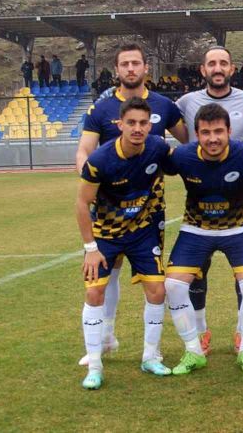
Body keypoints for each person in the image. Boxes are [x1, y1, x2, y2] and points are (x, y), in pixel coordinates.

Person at [74, 44, 187, 367]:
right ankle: (105, 336)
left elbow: (186, 143)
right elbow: (84, 150)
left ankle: (150, 351)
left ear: (146, 68)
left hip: (148, 212)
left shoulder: (164, 105)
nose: (131, 68)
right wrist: (89, 184)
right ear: (117, 69)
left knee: (152, 280)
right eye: (124, 63)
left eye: (136, 62)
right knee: (107, 273)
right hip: (108, 209)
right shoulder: (101, 108)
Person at [163, 104, 243, 375]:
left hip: (239, 228)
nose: (213, 138)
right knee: (173, 285)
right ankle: (193, 351)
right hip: (196, 229)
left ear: (229, 132)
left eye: (219, 131)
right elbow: (149, 160)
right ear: (196, 134)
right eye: (206, 133)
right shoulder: (183, 156)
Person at [175, 45, 243, 354]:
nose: (217, 68)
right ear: (203, 70)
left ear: (232, 68)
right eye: (212, 63)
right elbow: (175, 131)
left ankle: (242, 332)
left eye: (223, 63)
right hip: (199, 198)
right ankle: (201, 331)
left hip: (237, 198)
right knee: (196, 271)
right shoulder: (186, 102)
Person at [76, 97, 173, 389]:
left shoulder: (157, 147)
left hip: (143, 232)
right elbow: (82, 203)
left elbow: (183, 162)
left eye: (143, 123)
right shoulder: (100, 160)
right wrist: (90, 249)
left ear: (150, 125)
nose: (137, 128)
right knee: (94, 292)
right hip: (106, 234)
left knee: (157, 291)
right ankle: (95, 366)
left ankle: (150, 357)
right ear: (120, 124)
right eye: (131, 122)